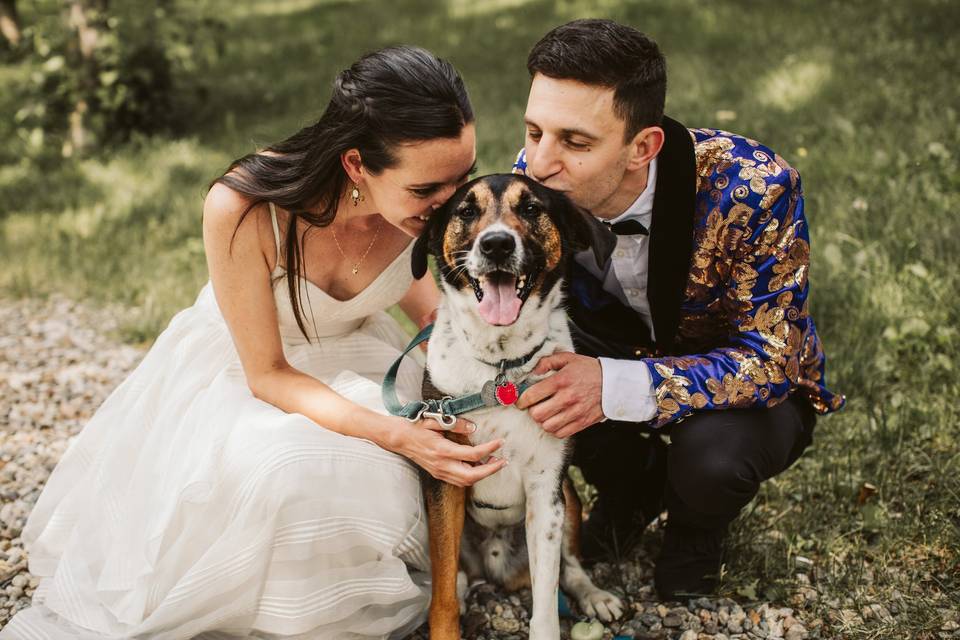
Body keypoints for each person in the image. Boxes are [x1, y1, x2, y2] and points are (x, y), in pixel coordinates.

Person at [1, 46, 506, 640]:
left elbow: (433, 320)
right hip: (249, 373)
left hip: (357, 356)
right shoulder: (243, 208)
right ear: (356, 166)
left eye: (464, 177)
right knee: (284, 471)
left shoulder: (429, 210)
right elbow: (266, 373)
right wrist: (398, 430)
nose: (456, 205)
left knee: (402, 466)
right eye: (428, 189)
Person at [511, 20, 845, 599]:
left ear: (643, 147)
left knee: (712, 460)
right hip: (608, 347)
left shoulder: (753, 187)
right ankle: (632, 489)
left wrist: (614, 384)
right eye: (534, 131)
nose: (539, 163)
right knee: (537, 382)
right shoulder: (535, 179)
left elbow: (770, 360)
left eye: (574, 141)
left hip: (744, 389)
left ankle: (695, 532)